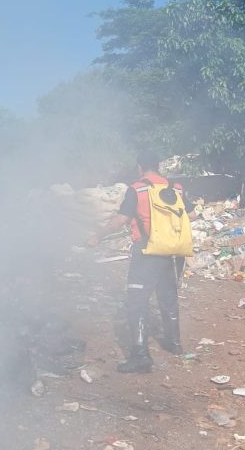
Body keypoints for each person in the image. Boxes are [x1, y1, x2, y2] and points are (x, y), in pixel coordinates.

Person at [88, 152, 193, 373]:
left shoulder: (137, 189)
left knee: (137, 302)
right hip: (173, 253)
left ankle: (140, 355)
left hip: (147, 252)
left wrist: (98, 235)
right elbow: (188, 214)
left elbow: (121, 219)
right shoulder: (177, 188)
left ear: (139, 168)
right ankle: (175, 344)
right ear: (158, 166)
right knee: (168, 298)